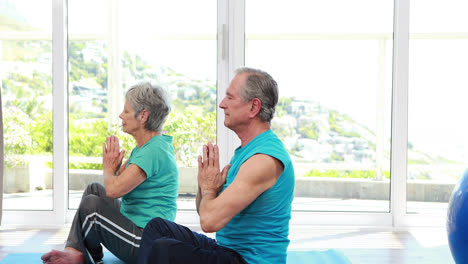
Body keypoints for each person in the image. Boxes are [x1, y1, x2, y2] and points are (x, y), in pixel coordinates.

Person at [138, 67, 295, 264]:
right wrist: (205, 188)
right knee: (157, 228)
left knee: (165, 250)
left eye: (230, 98)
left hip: (249, 260)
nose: (222, 104)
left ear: (254, 107)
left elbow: (209, 222)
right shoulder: (246, 151)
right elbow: (205, 210)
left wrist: (210, 190)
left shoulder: (263, 159)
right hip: (228, 251)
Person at [41, 81, 179, 264]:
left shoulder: (153, 151)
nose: (121, 115)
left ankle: (85, 257)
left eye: (126, 111)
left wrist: (108, 167)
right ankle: (75, 251)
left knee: (92, 207)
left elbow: (114, 190)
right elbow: (115, 182)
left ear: (143, 115)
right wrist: (113, 169)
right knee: (94, 190)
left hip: (146, 243)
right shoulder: (147, 148)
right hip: (136, 231)